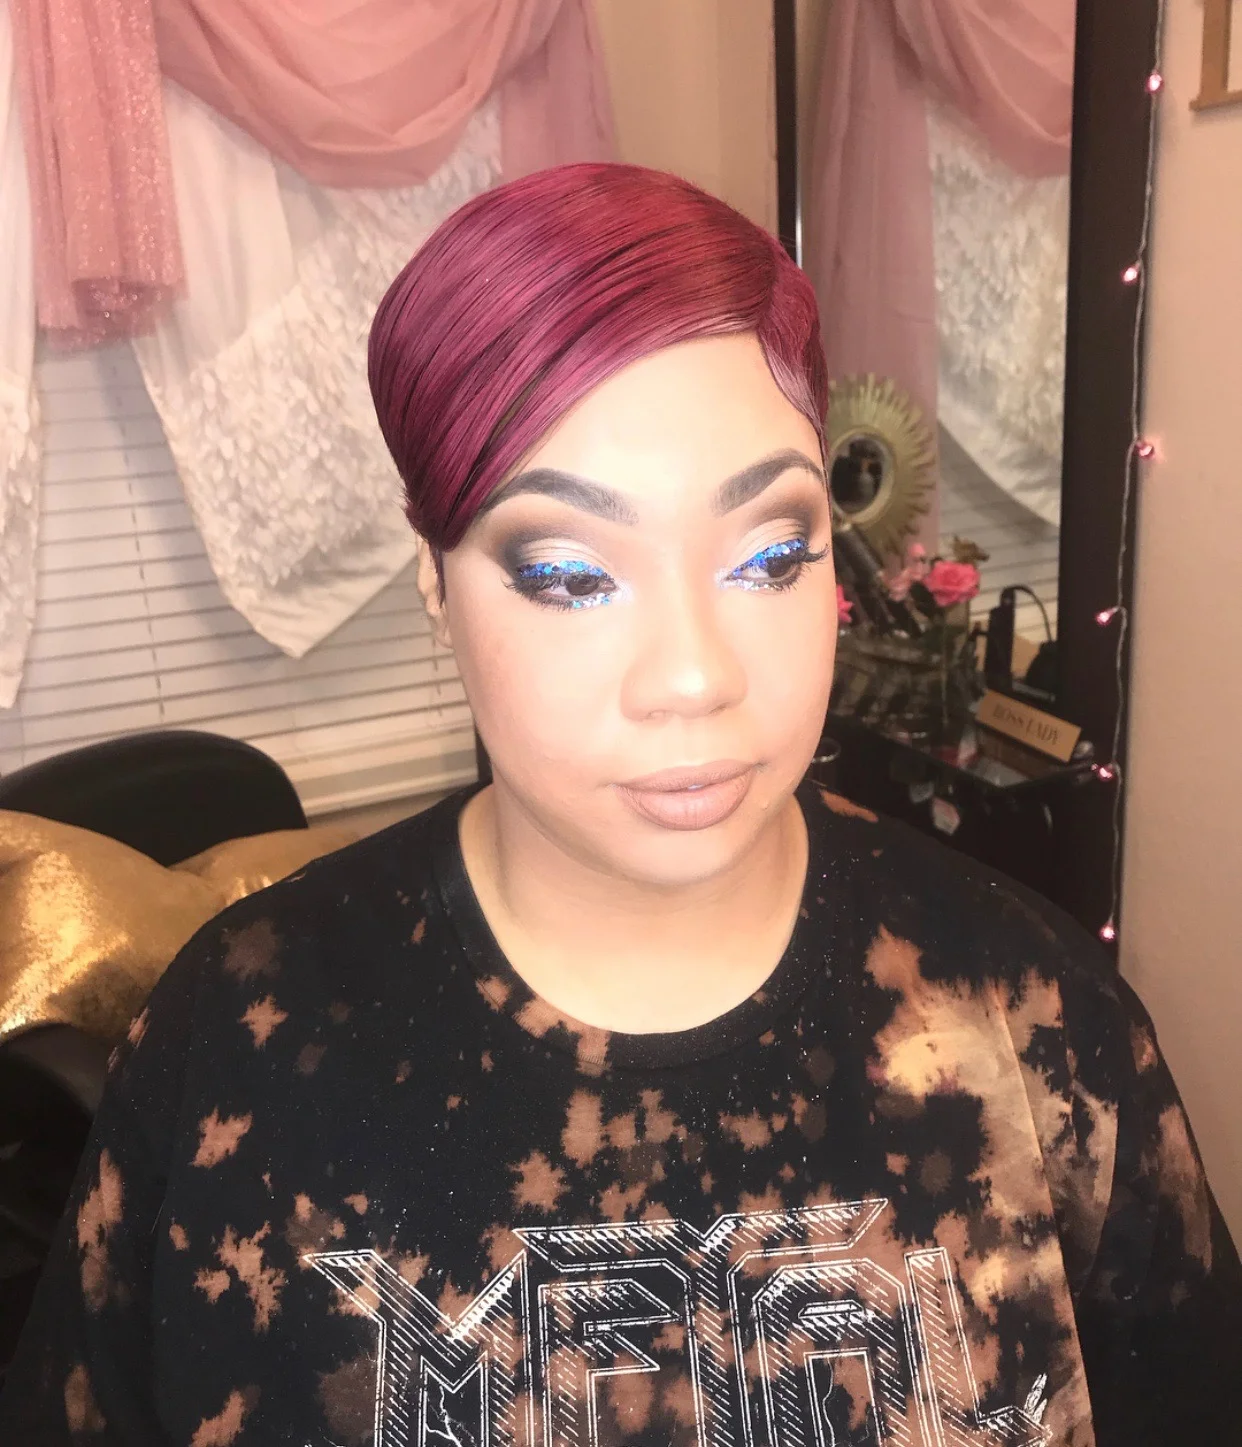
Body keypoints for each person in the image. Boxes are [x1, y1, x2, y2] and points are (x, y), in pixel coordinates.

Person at [1, 162, 1238, 1447]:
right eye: (572, 575)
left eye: (771, 555)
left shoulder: (1035, 1019)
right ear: (434, 578)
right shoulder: (243, 1050)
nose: (695, 677)